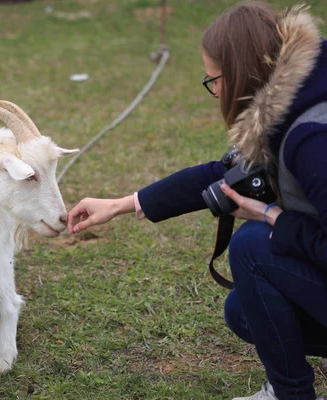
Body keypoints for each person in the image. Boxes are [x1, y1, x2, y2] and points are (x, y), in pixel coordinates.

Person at [67, 2, 327, 400]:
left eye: (215, 79)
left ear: (243, 71)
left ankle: (291, 394)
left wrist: (272, 215)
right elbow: (221, 176)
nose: (216, 91)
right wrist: (122, 204)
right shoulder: (301, 92)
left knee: (252, 246)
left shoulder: (311, 139)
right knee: (243, 310)